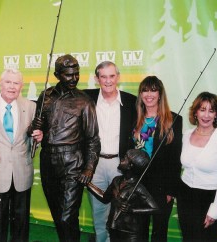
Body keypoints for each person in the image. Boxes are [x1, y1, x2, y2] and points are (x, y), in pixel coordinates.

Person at [29, 54, 101, 242]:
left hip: (72, 163)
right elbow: (36, 131)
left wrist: (89, 168)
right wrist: (33, 126)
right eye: (69, 75)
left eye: (76, 74)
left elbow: (93, 138)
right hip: (48, 161)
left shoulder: (84, 101)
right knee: (58, 215)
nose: (74, 78)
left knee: (67, 216)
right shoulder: (45, 96)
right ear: (57, 74)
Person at [0, 69, 43, 242]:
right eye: (8, 82)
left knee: (21, 220)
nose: (12, 86)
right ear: (0, 83)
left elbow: (34, 138)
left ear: (21, 86)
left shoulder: (31, 107)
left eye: (16, 83)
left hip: (22, 171)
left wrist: (39, 137)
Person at [83, 61, 137, 242]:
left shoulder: (131, 102)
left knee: (121, 213)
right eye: (103, 76)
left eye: (112, 76)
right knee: (99, 212)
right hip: (94, 166)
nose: (108, 81)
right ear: (96, 79)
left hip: (120, 166)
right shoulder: (86, 99)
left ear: (118, 77)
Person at [177, 92, 217, 242]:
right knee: (188, 238)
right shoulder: (186, 135)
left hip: (209, 199)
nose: (206, 115)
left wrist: (214, 209)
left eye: (211, 110)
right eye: (202, 109)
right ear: (195, 112)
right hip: (185, 196)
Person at [132, 76, 182, 242]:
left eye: (153, 90)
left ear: (160, 94)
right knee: (139, 229)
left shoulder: (173, 120)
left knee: (159, 231)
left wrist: (170, 190)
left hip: (161, 186)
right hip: (137, 184)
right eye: (145, 90)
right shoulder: (134, 118)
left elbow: (175, 159)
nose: (149, 94)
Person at [87, 149, 159, 242]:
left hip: (130, 233)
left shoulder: (138, 188)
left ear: (131, 165)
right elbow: (105, 198)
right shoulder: (116, 180)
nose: (121, 159)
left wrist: (132, 210)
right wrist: (87, 183)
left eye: (125, 158)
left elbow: (156, 209)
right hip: (114, 228)